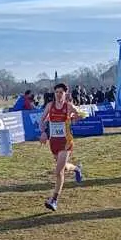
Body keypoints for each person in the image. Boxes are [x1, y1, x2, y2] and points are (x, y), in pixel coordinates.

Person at [39, 83, 85, 211]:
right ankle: (76, 168)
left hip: (66, 142)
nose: (58, 94)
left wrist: (76, 117)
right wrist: (43, 132)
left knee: (58, 172)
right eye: (57, 92)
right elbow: (42, 121)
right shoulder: (50, 106)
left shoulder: (69, 106)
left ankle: (54, 200)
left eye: (61, 92)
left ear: (65, 94)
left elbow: (78, 117)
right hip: (53, 142)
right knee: (63, 167)